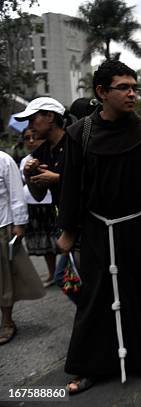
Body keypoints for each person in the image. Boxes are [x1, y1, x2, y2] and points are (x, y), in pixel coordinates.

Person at [56, 60, 141, 394]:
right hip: (98, 229)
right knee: (96, 297)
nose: (133, 94)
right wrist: (68, 230)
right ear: (102, 92)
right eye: (124, 87)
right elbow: (71, 186)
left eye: (135, 88)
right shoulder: (81, 133)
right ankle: (88, 366)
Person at [14, 97, 72, 287]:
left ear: (49, 117)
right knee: (69, 282)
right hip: (64, 221)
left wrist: (57, 178)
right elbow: (38, 194)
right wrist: (29, 175)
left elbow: (93, 182)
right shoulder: (41, 152)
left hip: (87, 224)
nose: (30, 126)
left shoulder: (75, 141)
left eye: (32, 120)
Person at [0, 150, 45, 345]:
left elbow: (17, 194)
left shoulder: (4, 160)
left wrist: (19, 225)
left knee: (4, 278)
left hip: (2, 225)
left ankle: (7, 321)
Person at [18, 128, 56, 285]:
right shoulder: (24, 161)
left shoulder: (51, 156)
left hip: (50, 205)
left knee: (58, 241)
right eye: (27, 138)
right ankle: (52, 274)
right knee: (44, 244)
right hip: (33, 206)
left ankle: (67, 272)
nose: (31, 141)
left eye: (34, 137)